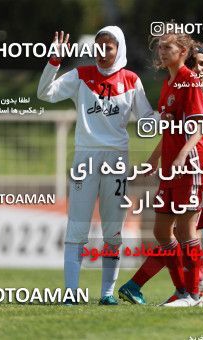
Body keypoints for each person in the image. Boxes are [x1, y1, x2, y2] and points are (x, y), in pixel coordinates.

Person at [37, 26, 156, 305]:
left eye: (108, 47)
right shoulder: (80, 75)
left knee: (113, 229)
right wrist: (54, 60)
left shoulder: (131, 80)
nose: (102, 52)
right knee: (77, 227)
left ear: (120, 49)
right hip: (85, 157)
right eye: (98, 47)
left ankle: (106, 294)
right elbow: (45, 93)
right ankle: (70, 293)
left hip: (116, 161)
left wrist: (169, 113)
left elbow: (147, 120)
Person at [118, 41, 203, 306]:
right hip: (182, 166)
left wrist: (199, 153)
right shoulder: (174, 85)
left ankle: (200, 292)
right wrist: (155, 159)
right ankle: (187, 288)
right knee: (167, 230)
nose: (200, 68)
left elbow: (199, 130)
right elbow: (175, 129)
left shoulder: (195, 87)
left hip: (198, 168)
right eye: (198, 63)